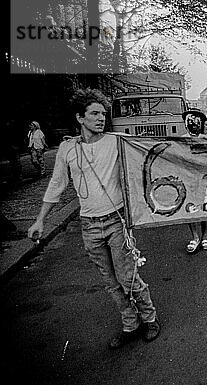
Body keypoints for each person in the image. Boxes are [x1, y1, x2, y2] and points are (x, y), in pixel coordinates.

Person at [27, 88, 161, 348]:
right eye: (94, 113)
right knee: (110, 282)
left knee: (127, 277)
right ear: (80, 117)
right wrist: (40, 220)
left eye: (103, 113)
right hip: (89, 226)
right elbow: (57, 185)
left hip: (116, 221)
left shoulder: (116, 141)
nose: (101, 118)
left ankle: (150, 317)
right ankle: (130, 324)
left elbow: (152, 150)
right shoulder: (68, 149)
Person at [181, 109, 207, 253]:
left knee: (206, 208)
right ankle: (195, 237)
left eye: (196, 121)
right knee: (190, 208)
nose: (193, 123)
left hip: (205, 179)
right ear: (185, 123)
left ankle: (205, 237)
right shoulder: (180, 140)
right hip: (188, 180)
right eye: (190, 120)